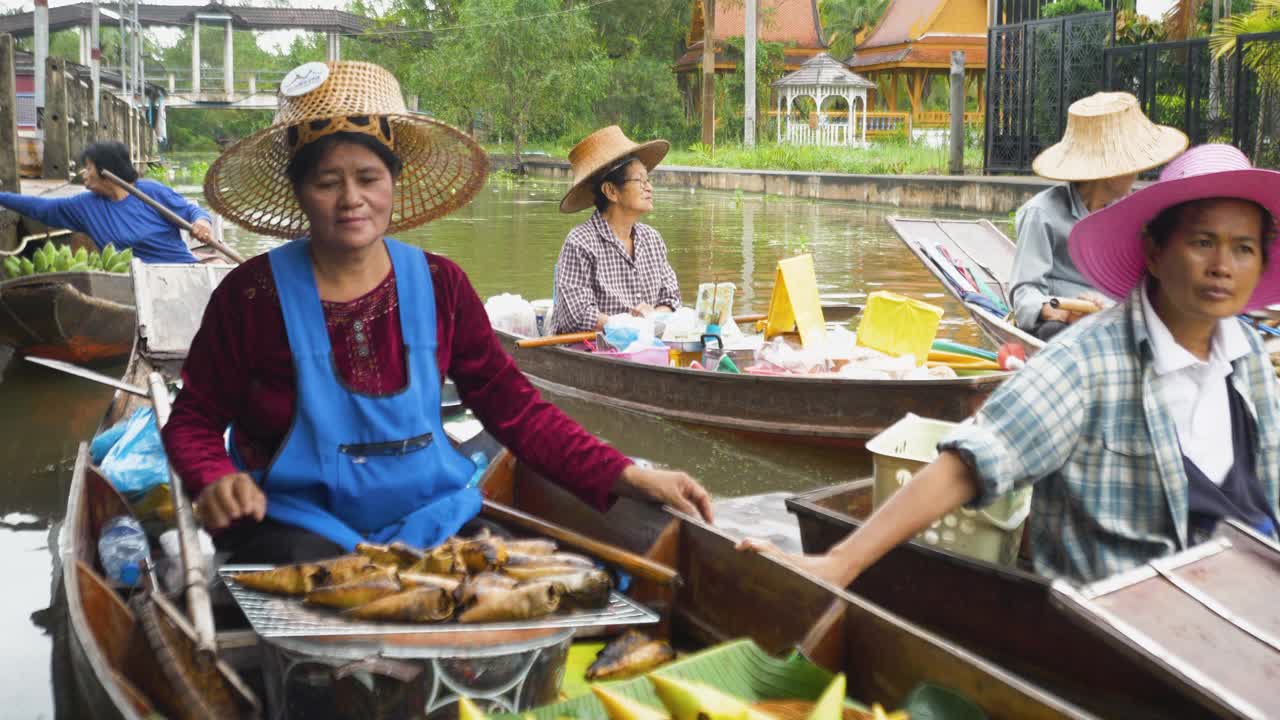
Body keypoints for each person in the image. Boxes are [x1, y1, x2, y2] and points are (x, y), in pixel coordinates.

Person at [162, 62, 713, 564]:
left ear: (394, 183)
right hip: (298, 526)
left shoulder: (440, 285)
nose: (351, 198)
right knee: (332, 610)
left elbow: (517, 411)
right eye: (328, 182)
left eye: (369, 178)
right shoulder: (251, 297)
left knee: (531, 580)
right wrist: (214, 478)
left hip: (430, 521)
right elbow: (194, 419)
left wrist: (628, 474)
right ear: (300, 192)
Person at [740, 144, 1280, 586]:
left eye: (1243, 250)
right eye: (1202, 242)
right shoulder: (1089, 361)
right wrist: (841, 562)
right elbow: (974, 458)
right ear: (1156, 253)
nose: (1221, 268)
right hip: (1131, 633)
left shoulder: (1249, 355)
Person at [1010, 92, 1187, 341]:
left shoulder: (1134, 215)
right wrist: (1064, 311)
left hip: (1116, 318)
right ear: (1112, 172)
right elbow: (1025, 295)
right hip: (1063, 323)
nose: (1138, 174)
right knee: (1058, 335)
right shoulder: (1041, 214)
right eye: (1133, 166)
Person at [547, 126, 681, 335]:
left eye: (648, 180)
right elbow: (577, 315)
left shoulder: (652, 239)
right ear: (610, 191)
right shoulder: (580, 242)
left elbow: (671, 298)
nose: (649, 188)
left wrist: (652, 316)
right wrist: (627, 324)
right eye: (640, 180)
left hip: (643, 344)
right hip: (591, 349)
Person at [0, 141, 214, 263]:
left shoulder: (150, 191)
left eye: (89, 167)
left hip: (179, 271)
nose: (84, 174)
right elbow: (41, 208)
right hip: (133, 283)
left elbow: (192, 212)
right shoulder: (84, 206)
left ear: (106, 171)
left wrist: (202, 224)